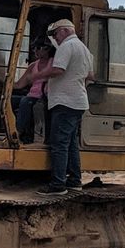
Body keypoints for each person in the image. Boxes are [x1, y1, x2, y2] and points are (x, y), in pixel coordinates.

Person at [32, 19, 93, 195]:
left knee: (59, 143)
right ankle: (74, 180)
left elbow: (58, 70)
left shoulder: (66, 47)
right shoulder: (83, 49)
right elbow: (91, 75)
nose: (54, 39)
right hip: (77, 102)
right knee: (71, 143)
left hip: (65, 102)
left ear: (64, 31)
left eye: (55, 34)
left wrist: (37, 75)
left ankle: (58, 184)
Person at [13, 39, 55, 143]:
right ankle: (10, 129)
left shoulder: (54, 64)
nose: (34, 51)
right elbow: (19, 84)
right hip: (32, 95)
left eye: (37, 48)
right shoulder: (33, 66)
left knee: (25, 102)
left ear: (47, 49)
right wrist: (5, 83)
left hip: (45, 96)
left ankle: (19, 131)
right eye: (33, 48)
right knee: (10, 100)